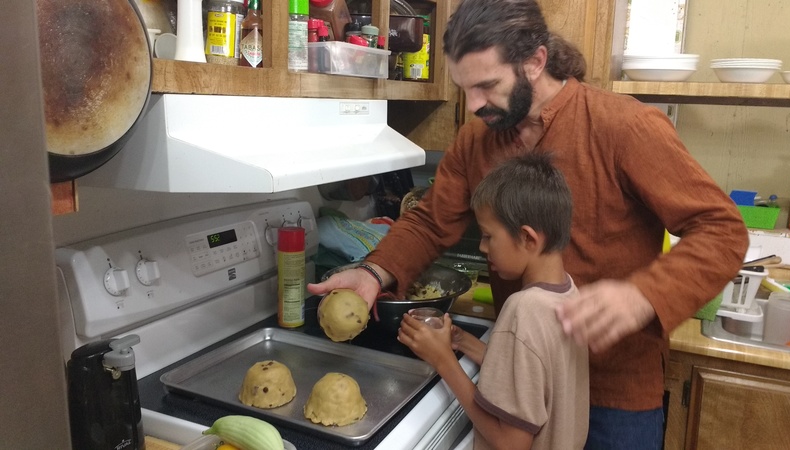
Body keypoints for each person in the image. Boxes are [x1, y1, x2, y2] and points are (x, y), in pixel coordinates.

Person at [308, 0, 749, 447]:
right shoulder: (477, 140)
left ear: (535, 62)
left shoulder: (625, 127)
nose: (474, 105)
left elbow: (721, 230)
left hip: (615, 396)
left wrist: (643, 296)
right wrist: (372, 272)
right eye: (465, 88)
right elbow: (429, 223)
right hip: (522, 380)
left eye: (487, 85)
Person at [399, 153, 589, 449]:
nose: (482, 247)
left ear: (528, 238)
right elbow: (535, 379)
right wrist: (462, 342)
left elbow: (510, 442)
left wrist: (444, 361)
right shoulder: (569, 294)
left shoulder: (523, 309)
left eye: (488, 236)